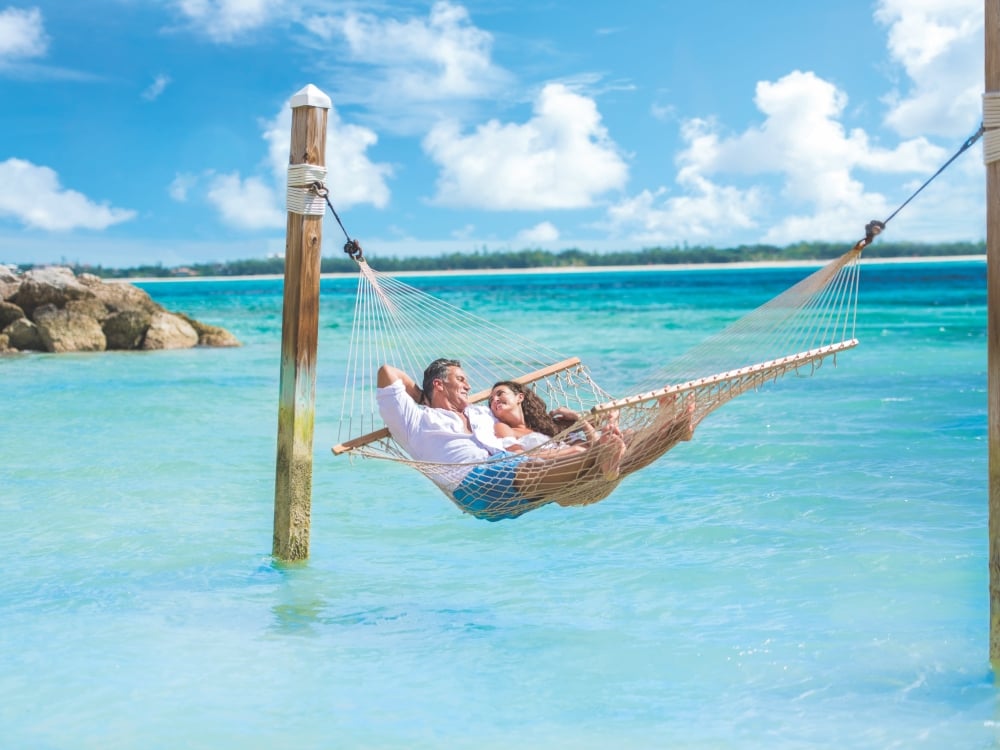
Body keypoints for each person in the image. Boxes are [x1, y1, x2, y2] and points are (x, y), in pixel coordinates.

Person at [376, 359, 627, 520]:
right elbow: (388, 373)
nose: (468, 385)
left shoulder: (480, 413)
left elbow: (521, 429)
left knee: (622, 442)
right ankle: (601, 457)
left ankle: (665, 426)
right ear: (439, 384)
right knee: (570, 458)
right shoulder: (414, 420)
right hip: (473, 482)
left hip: (508, 470)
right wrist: (423, 398)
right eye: (461, 379)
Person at [488, 380, 598, 454]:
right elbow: (520, 459)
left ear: (520, 397)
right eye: (491, 400)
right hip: (554, 471)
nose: (495, 400)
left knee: (604, 442)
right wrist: (569, 451)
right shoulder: (502, 427)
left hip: (582, 462)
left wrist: (578, 417)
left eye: (500, 394)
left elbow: (595, 448)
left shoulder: (546, 426)